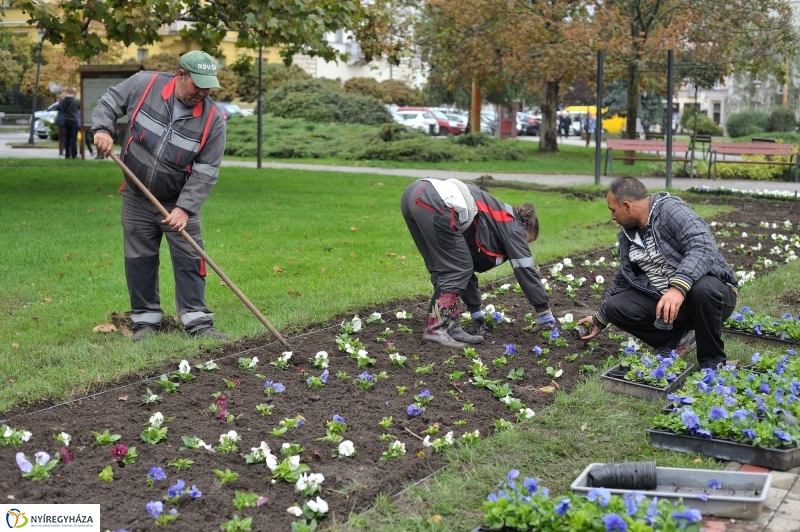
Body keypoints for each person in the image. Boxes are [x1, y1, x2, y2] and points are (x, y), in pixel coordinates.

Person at [92, 50, 228, 342]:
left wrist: (184, 209)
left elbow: (205, 172)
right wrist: (102, 129)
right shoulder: (144, 84)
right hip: (137, 195)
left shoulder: (213, 120)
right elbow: (109, 102)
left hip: (176, 201)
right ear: (180, 75)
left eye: (208, 86)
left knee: (190, 257)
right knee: (139, 257)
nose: (203, 92)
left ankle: (198, 323)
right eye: (197, 85)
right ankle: (145, 321)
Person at [576, 177, 738, 369]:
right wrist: (600, 319)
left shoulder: (670, 211)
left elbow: (703, 246)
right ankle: (678, 341)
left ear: (627, 206)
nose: (612, 216)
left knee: (702, 289)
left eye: (613, 210)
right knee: (615, 307)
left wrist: (678, 288)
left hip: (715, 297)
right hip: (671, 306)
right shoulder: (628, 235)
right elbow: (623, 278)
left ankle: (712, 364)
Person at [401, 178, 555, 348]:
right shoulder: (514, 226)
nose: (522, 246)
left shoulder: (495, 218)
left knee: (443, 267)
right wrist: (544, 311)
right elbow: (525, 268)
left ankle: (451, 327)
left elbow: (465, 260)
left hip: (414, 194)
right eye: (526, 242)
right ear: (525, 228)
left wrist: (475, 311)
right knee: (456, 269)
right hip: (435, 200)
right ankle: (436, 329)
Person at [59, 88, 81, 159]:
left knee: (67, 138)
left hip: (65, 120)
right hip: (74, 120)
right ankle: (74, 154)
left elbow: (61, 107)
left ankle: (67, 154)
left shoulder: (63, 101)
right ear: (74, 93)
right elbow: (79, 109)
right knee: (73, 138)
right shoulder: (77, 101)